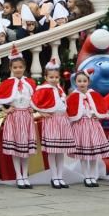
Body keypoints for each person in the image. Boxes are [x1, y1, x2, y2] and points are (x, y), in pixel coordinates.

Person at [0, 46, 36, 189]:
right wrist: (6, 110)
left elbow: (37, 99)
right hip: (14, 118)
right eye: (15, 67)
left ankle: (25, 175)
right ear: (11, 68)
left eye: (20, 67)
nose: (18, 70)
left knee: (25, 149)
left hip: (26, 118)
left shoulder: (30, 83)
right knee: (16, 149)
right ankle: (18, 176)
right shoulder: (7, 83)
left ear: (25, 68)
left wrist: (33, 108)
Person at [32, 58, 75, 188]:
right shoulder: (44, 89)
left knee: (60, 150)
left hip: (62, 120)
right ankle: (54, 176)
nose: (54, 79)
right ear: (46, 77)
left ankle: (60, 176)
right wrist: (41, 112)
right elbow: (34, 101)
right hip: (51, 121)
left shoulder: (59, 89)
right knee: (52, 150)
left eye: (56, 77)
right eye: (51, 77)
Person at [66, 68, 109, 188]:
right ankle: (86, 176)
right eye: (79, 81)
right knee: (84, 154)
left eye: (84, 81)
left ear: (88, 82)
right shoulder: (73, 96)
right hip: (80, 127)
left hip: (93, 125)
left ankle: (93, 176)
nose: (82, 83)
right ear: (75, 82)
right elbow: (69, 111)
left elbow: (101, 107)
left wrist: (98, 114)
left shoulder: (94, 94)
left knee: (94, 153)